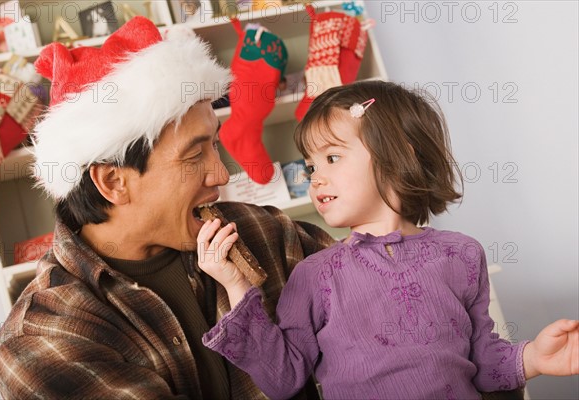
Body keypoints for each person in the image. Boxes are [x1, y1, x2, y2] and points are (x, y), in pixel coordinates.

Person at [0, 17, 335, 399]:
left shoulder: (266, 232)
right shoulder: (41, 339)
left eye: (214, 145)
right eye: (193, 155)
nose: (221, 175)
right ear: (113, 182)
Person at [197, 80, 579, 399]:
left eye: (332, 158)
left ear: (396, 158)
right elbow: (283, 378)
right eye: (311, 165)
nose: (314, 177)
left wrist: (534, 358)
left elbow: (483, 363)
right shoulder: (315, 276)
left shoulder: (462, 254)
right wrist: (236, 284)